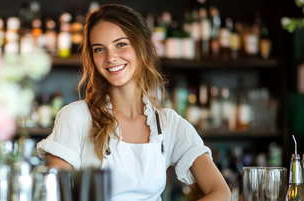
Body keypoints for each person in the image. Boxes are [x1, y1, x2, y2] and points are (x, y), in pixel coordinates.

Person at [37, 4, 231, 201]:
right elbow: (52, 195)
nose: (110, 57)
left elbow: (221, 193)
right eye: (99, 49)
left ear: (142, 47)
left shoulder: (168, 124)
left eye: (121, 44)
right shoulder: (76, 117)